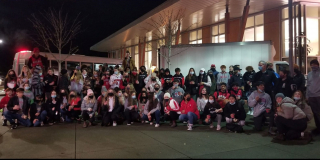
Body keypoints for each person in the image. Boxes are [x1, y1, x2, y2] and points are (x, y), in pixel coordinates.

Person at [306, 59, 320, 136]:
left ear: (317, 65)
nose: (313, 66)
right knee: (315, 113)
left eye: (314, 64)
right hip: (311, 96)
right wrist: (307, 96)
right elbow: (308, 85)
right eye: (311, 65)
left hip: (319, 96)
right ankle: (318, 128)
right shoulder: (310, 74)